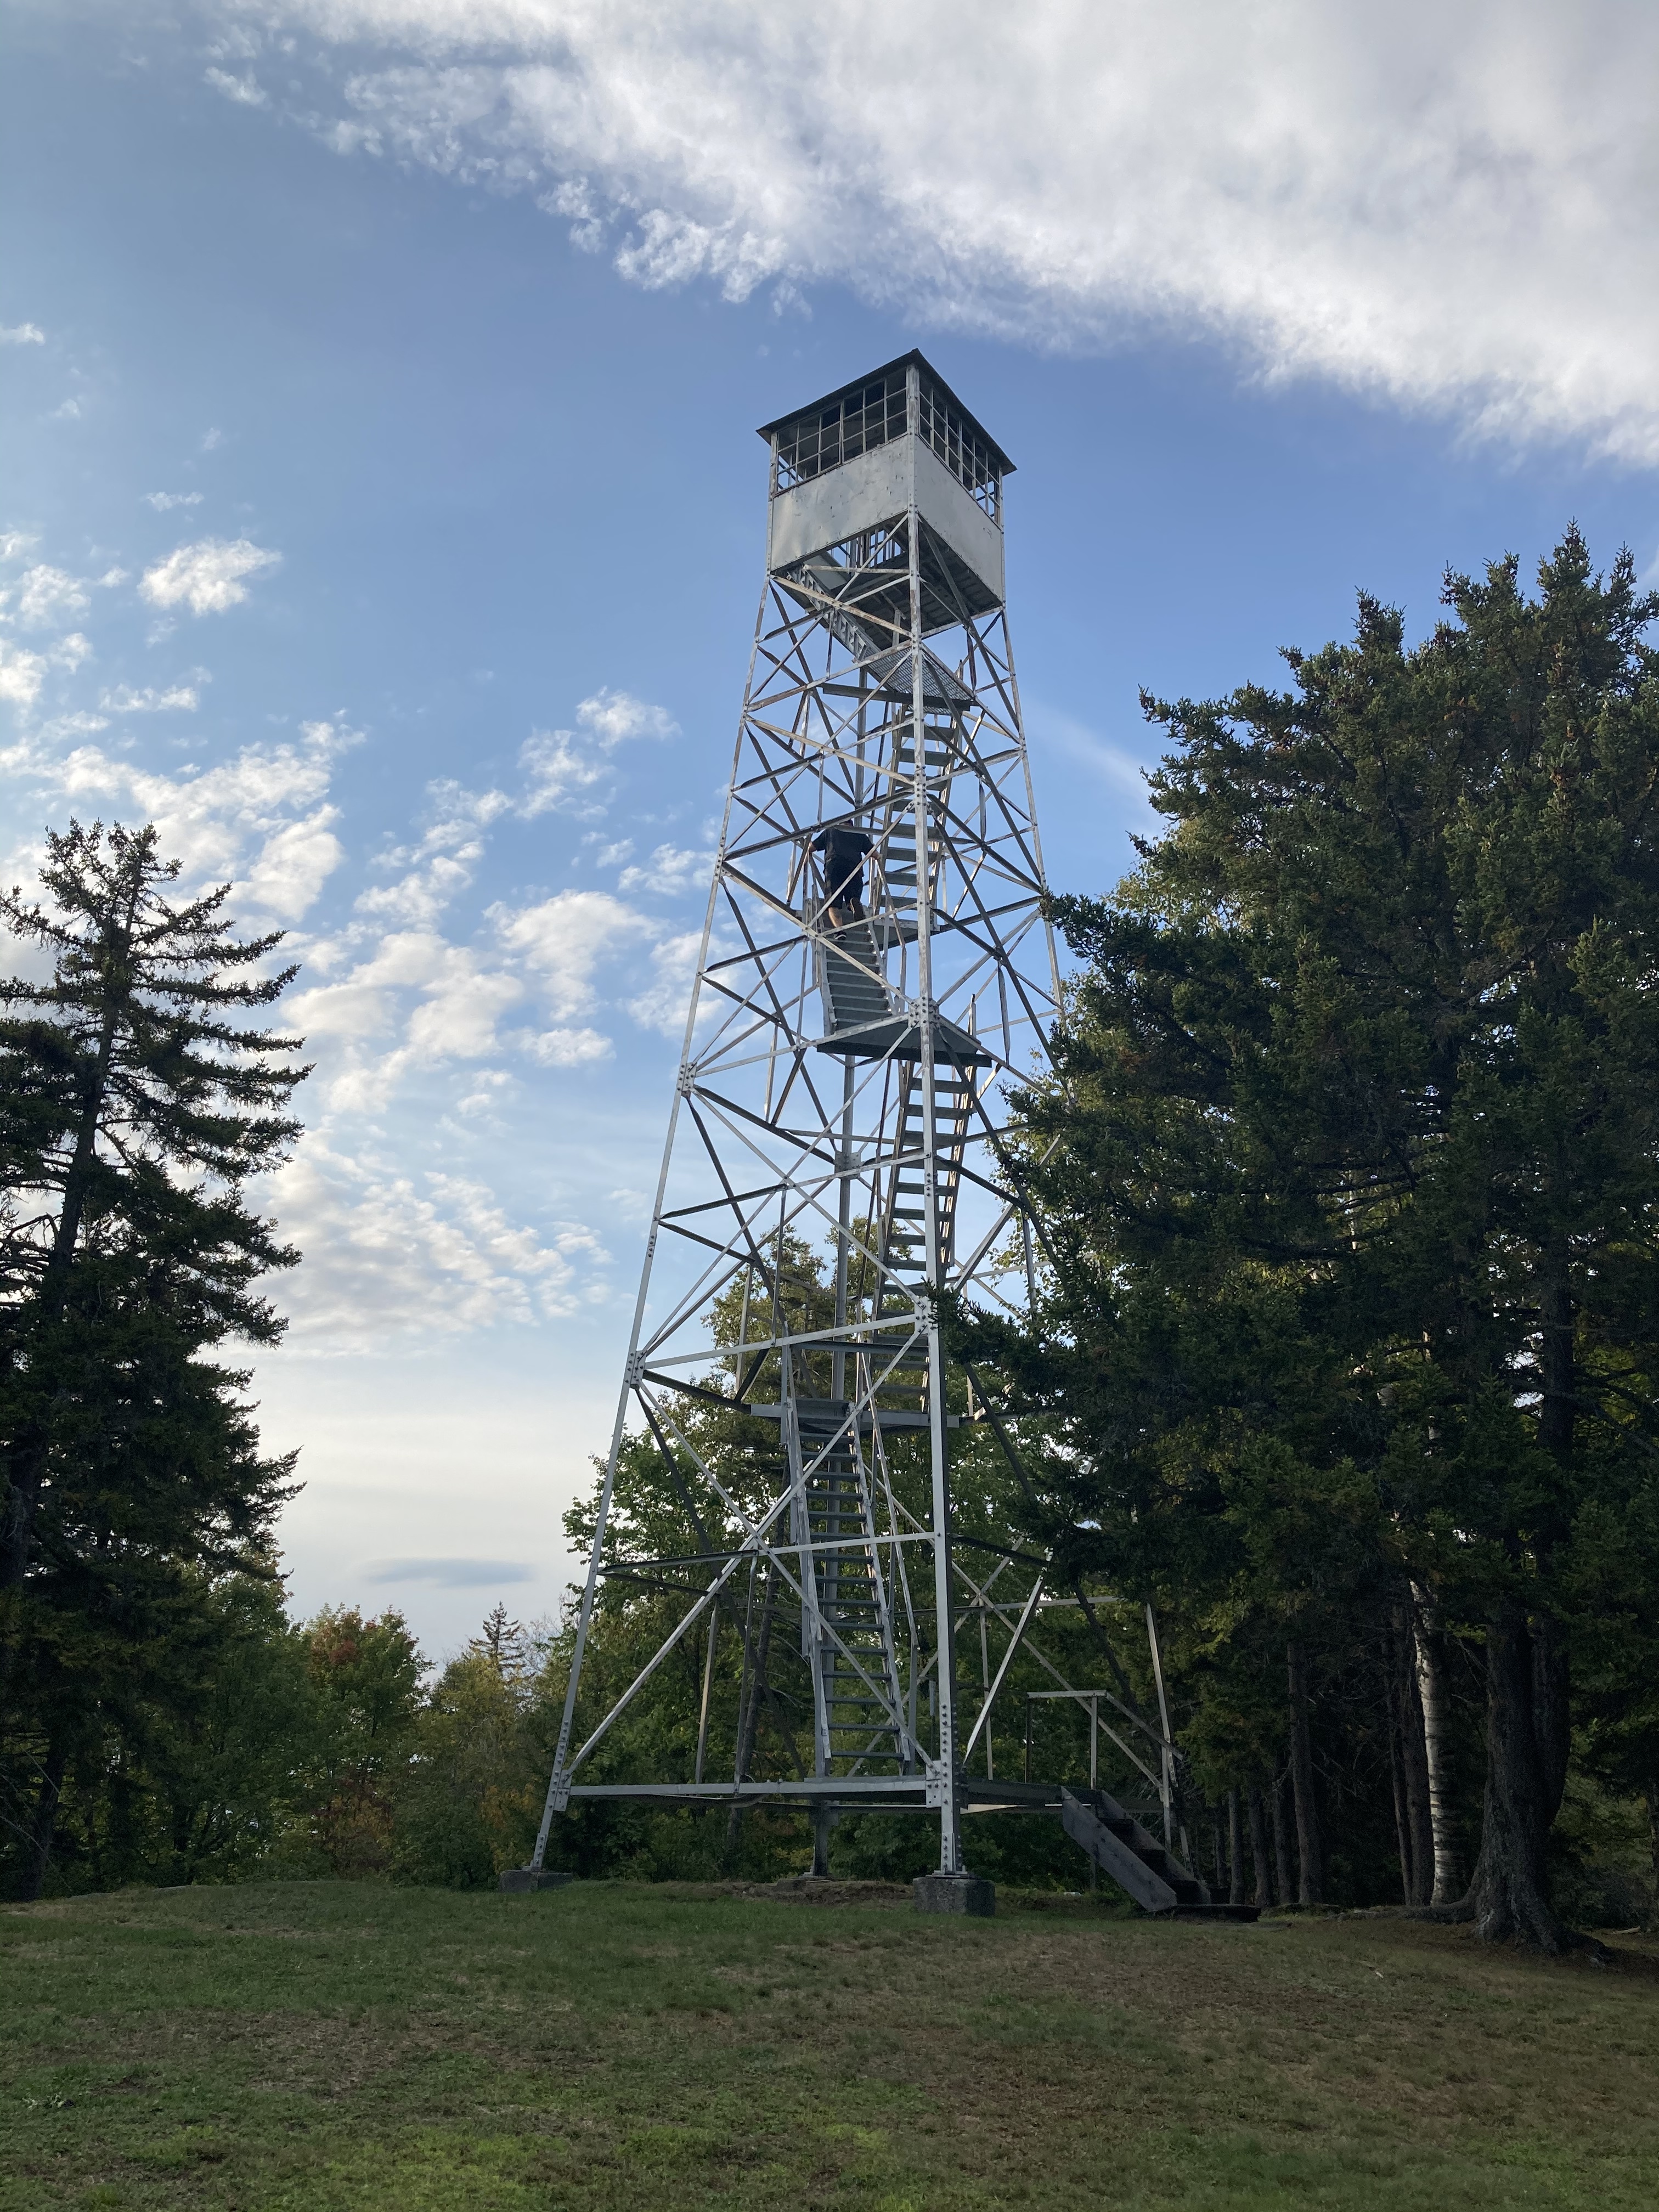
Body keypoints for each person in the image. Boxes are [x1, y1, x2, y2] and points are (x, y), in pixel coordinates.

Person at [812, 821, 872, 928]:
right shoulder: (859, 834)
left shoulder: (831, 831)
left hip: (834, 866)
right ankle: (853, 903)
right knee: (853, 896)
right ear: (852, 825)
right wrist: (880, 857)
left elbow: (812, 847)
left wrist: (806, 855)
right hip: (855, 868)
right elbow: (874, 853)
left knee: (833, 904)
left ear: (840, 823)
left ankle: (839, 930)